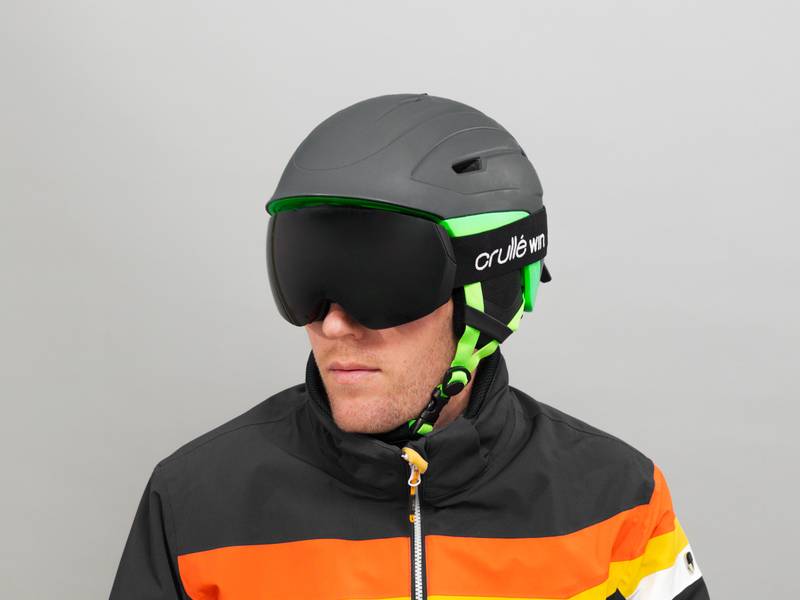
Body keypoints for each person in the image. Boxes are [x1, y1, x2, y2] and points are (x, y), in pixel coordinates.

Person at [109, 93, 710, 599]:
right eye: (306, 278)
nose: (333, 327)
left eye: (382, 283)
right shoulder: (196, 505)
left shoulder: (617, 504)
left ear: (489, 294)